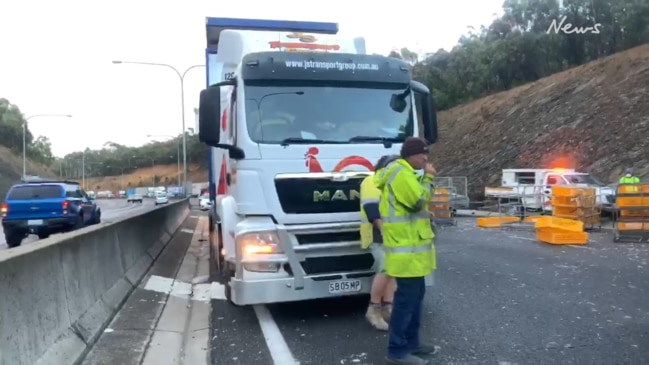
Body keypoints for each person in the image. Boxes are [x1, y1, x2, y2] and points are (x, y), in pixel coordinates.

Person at [375, 137, 438, 365]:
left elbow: (412, 209)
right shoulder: (401, 173)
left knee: (415, 298)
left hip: (412, 251)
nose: (425, 159)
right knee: (405, 302)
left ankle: (412, 343)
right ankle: (397, 350)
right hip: (406, 253)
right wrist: (429, 178)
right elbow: (418, 201)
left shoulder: (406, 173)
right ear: (411, 154)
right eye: (423, 154)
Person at [360, 154, 399, 331]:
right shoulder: (372, 181)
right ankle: (374, 309)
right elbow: (372, 210)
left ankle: (387, 308)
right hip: (378, 235)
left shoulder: (391, 181)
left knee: (392, 271)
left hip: (392, 234)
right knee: (385, 269)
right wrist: (385, 232)